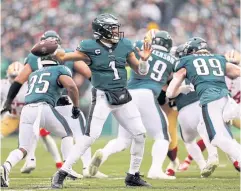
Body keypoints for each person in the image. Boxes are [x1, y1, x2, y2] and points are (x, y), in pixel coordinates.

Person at [51, 13, 152, 188]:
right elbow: (64, 57)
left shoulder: (125, 45)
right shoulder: (89, 47)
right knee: (91, 137)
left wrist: (144, 59)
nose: (116, 31)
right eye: (112, 28)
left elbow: (141, 71)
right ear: (102, 31)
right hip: (103, 96)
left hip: (122, 96)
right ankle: (62, 172)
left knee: (139, 133)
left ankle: (132, 175)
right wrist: (57, 53)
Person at [89, 29, 177, 180]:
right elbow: (170, 81)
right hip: (147, 95)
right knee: (162, 136)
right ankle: (155, 169)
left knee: (123, 140)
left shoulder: (139, 47)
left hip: (128, 94)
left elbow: (124, 60)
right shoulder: (172, 59)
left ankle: (103, 154)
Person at [0, 50, 81, 188]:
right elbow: (72, 86)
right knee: (67, 134)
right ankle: (66, 169)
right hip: (43, 108)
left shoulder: (34, 74)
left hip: (27, 110)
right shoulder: (60, 69)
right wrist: (76, 106)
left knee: (23, 148)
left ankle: (6, 167)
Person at [166, 37, 241, 175]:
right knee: (223, 134)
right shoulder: (219, 58)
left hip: (210, 100)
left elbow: (170, 93)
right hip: (227, 99)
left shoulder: (186, 61)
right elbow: (236, 72)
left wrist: (182, 89)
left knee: (217, 138)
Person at [0, 61, 63, 171]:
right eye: (13, 76)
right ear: (7, 75)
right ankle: (30, 161)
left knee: (42, 134)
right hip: (12, 117)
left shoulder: (30, 85)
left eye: (17, 76)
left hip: (30, 115)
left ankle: (56, 162)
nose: (15, 79)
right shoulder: (3, 85)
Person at [169, 44, 219, 177]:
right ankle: (217, 157)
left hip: (183, 109)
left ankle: (203, 165)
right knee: (212, 134)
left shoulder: (177, 68)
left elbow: (170, 93)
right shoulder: (203, 66)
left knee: (189, 141)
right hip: (200, 104)